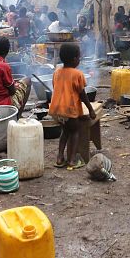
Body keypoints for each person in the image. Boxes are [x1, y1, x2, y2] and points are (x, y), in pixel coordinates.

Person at [50, 42, 95, 170]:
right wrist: (90, 109)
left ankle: (59, 158)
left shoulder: (57, 72)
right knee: (75, 132)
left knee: (65, 132)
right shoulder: (77, 74)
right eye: (79, 57)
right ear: (75, 59)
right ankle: (72, 160)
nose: (79, 60)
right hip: (69, 110)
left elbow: (56, 89)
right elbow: (82, 95)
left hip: (57, 110)